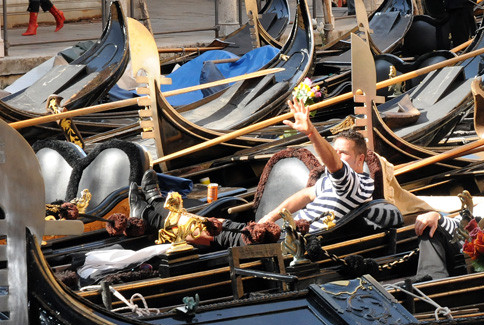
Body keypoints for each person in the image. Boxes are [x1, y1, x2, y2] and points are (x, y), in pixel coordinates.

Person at [128, 99, 374, 248]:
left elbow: (332, 164)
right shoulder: (333, 181)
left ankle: (152, 212)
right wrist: (269, 218)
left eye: (343, 153)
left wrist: (312, 133)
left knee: (209, 229)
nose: (336, 156)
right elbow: (306, 195)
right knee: (216, 227)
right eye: (336, 151)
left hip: (292, 245)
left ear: (361, 158)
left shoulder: (355, 184)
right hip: (277, 234)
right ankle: (153, 210)